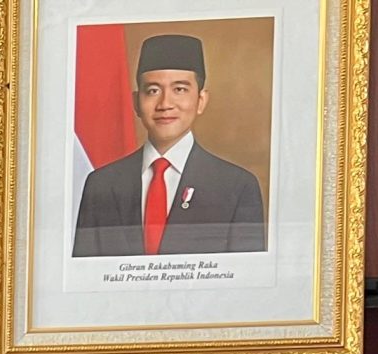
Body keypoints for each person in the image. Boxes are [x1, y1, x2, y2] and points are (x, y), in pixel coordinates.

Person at [73, 34, 267, 257]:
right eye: (153, 91)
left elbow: (246, 275)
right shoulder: (101, 185)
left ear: (201, 100)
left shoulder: (237, 188)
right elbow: (84, 273)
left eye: (180, 89)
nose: (165, 104)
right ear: (136, 102)